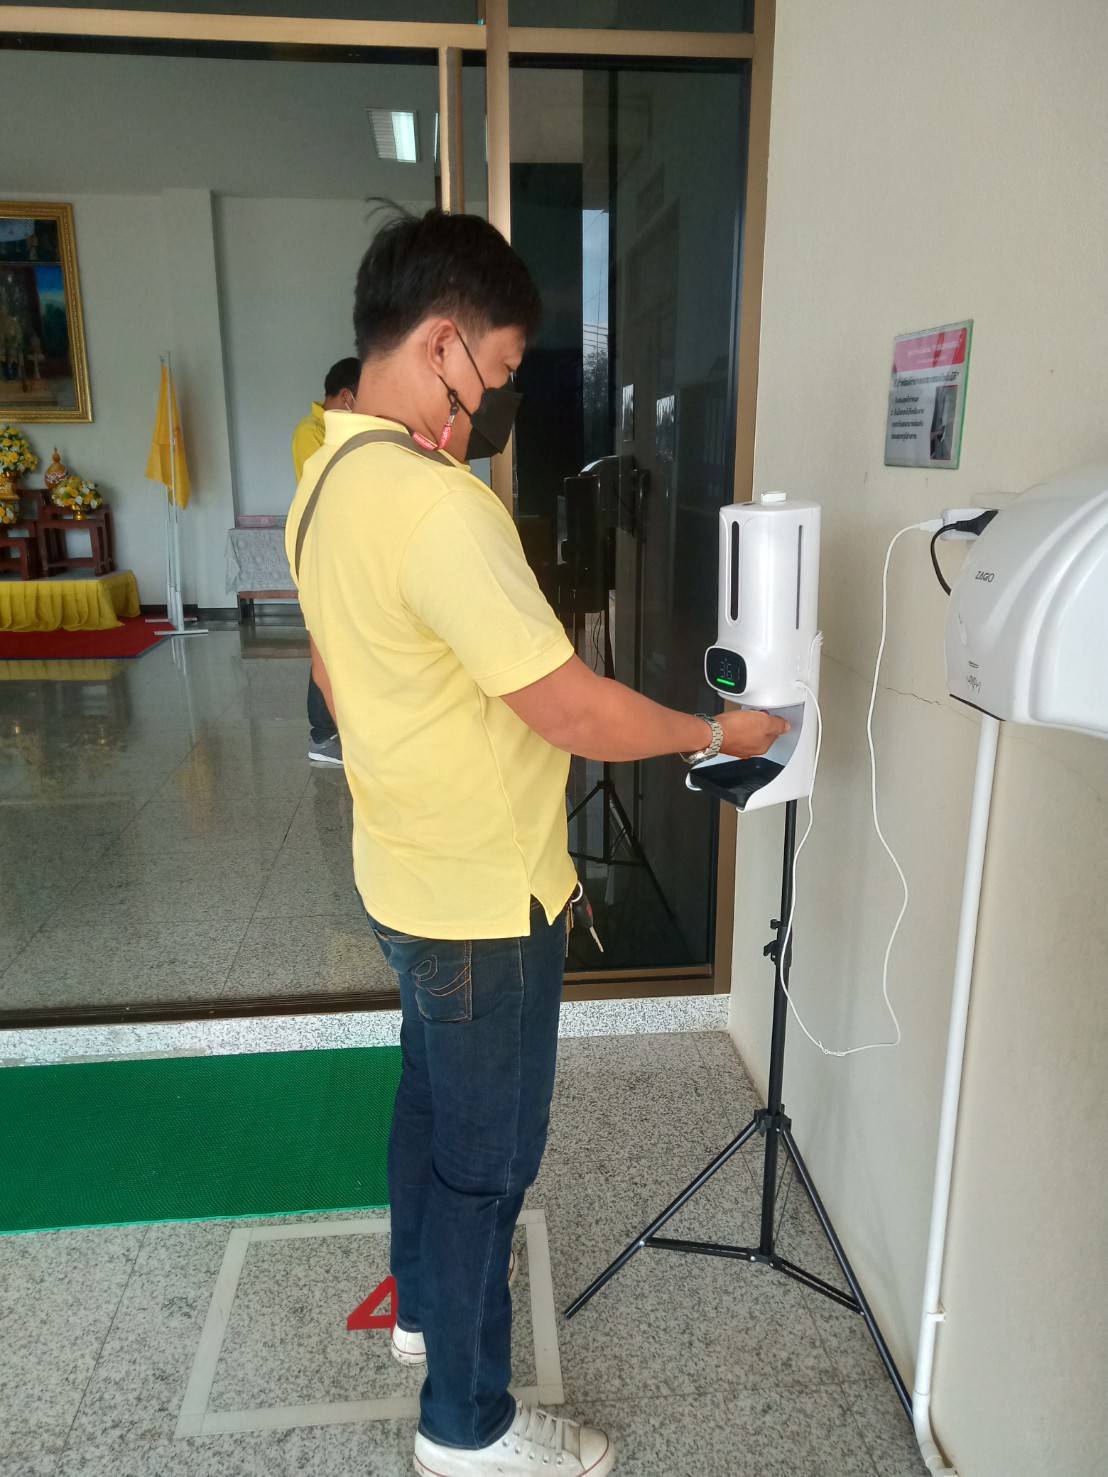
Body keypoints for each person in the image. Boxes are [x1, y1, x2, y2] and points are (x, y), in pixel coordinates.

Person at [286, 208, 788, 1477]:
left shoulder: (323, 479)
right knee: (486, 1167)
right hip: (481, 899)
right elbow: (568, 706)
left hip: (402, 874)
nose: (494, 406)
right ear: (440, 344)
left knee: (427, 1106)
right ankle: (467, 1425)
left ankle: (419, 1312)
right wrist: (713, 729)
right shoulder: (436, 506)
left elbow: (339, 679)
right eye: (498, 373)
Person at [292, 356, 360, 765]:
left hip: (342, 548)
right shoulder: (311, 432)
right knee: (325, 642)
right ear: (348, 397)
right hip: (323, 550)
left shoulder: (335, 431)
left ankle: (341, 726)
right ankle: (322, 736)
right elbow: (326, 485)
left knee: (340, 642)